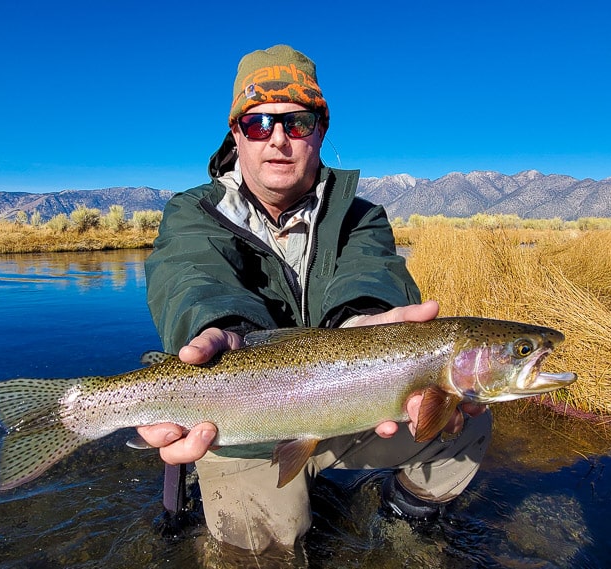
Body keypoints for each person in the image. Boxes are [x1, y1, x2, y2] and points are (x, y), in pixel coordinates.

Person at [138, 45, 491, 555]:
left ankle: (405, 520)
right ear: (236, 134)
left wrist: (366, 324)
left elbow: (367, 280)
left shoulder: (362, 216)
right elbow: (192, 279)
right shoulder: (193, 213)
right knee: (264, 547)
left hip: (354, 398)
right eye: (258, 123)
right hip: (241, 414)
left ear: (321, 130)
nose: (277, 139)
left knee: (467, 414)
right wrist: (222, 329)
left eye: (297, 122)